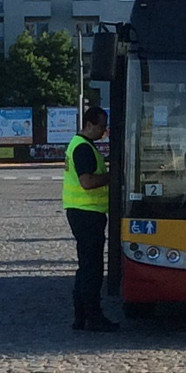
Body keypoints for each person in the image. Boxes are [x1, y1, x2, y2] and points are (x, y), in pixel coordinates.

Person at [63, 107, 119, 332]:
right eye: (101, 126)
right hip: (86, 213)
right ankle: (92, 317)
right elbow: (87, 182)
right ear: (88, 124)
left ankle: (81, 317)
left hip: (82, 211)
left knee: (85, 266)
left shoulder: (80, 144)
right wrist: (113, 176)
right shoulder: (83, 148)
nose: (104, 131)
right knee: (92, 268)